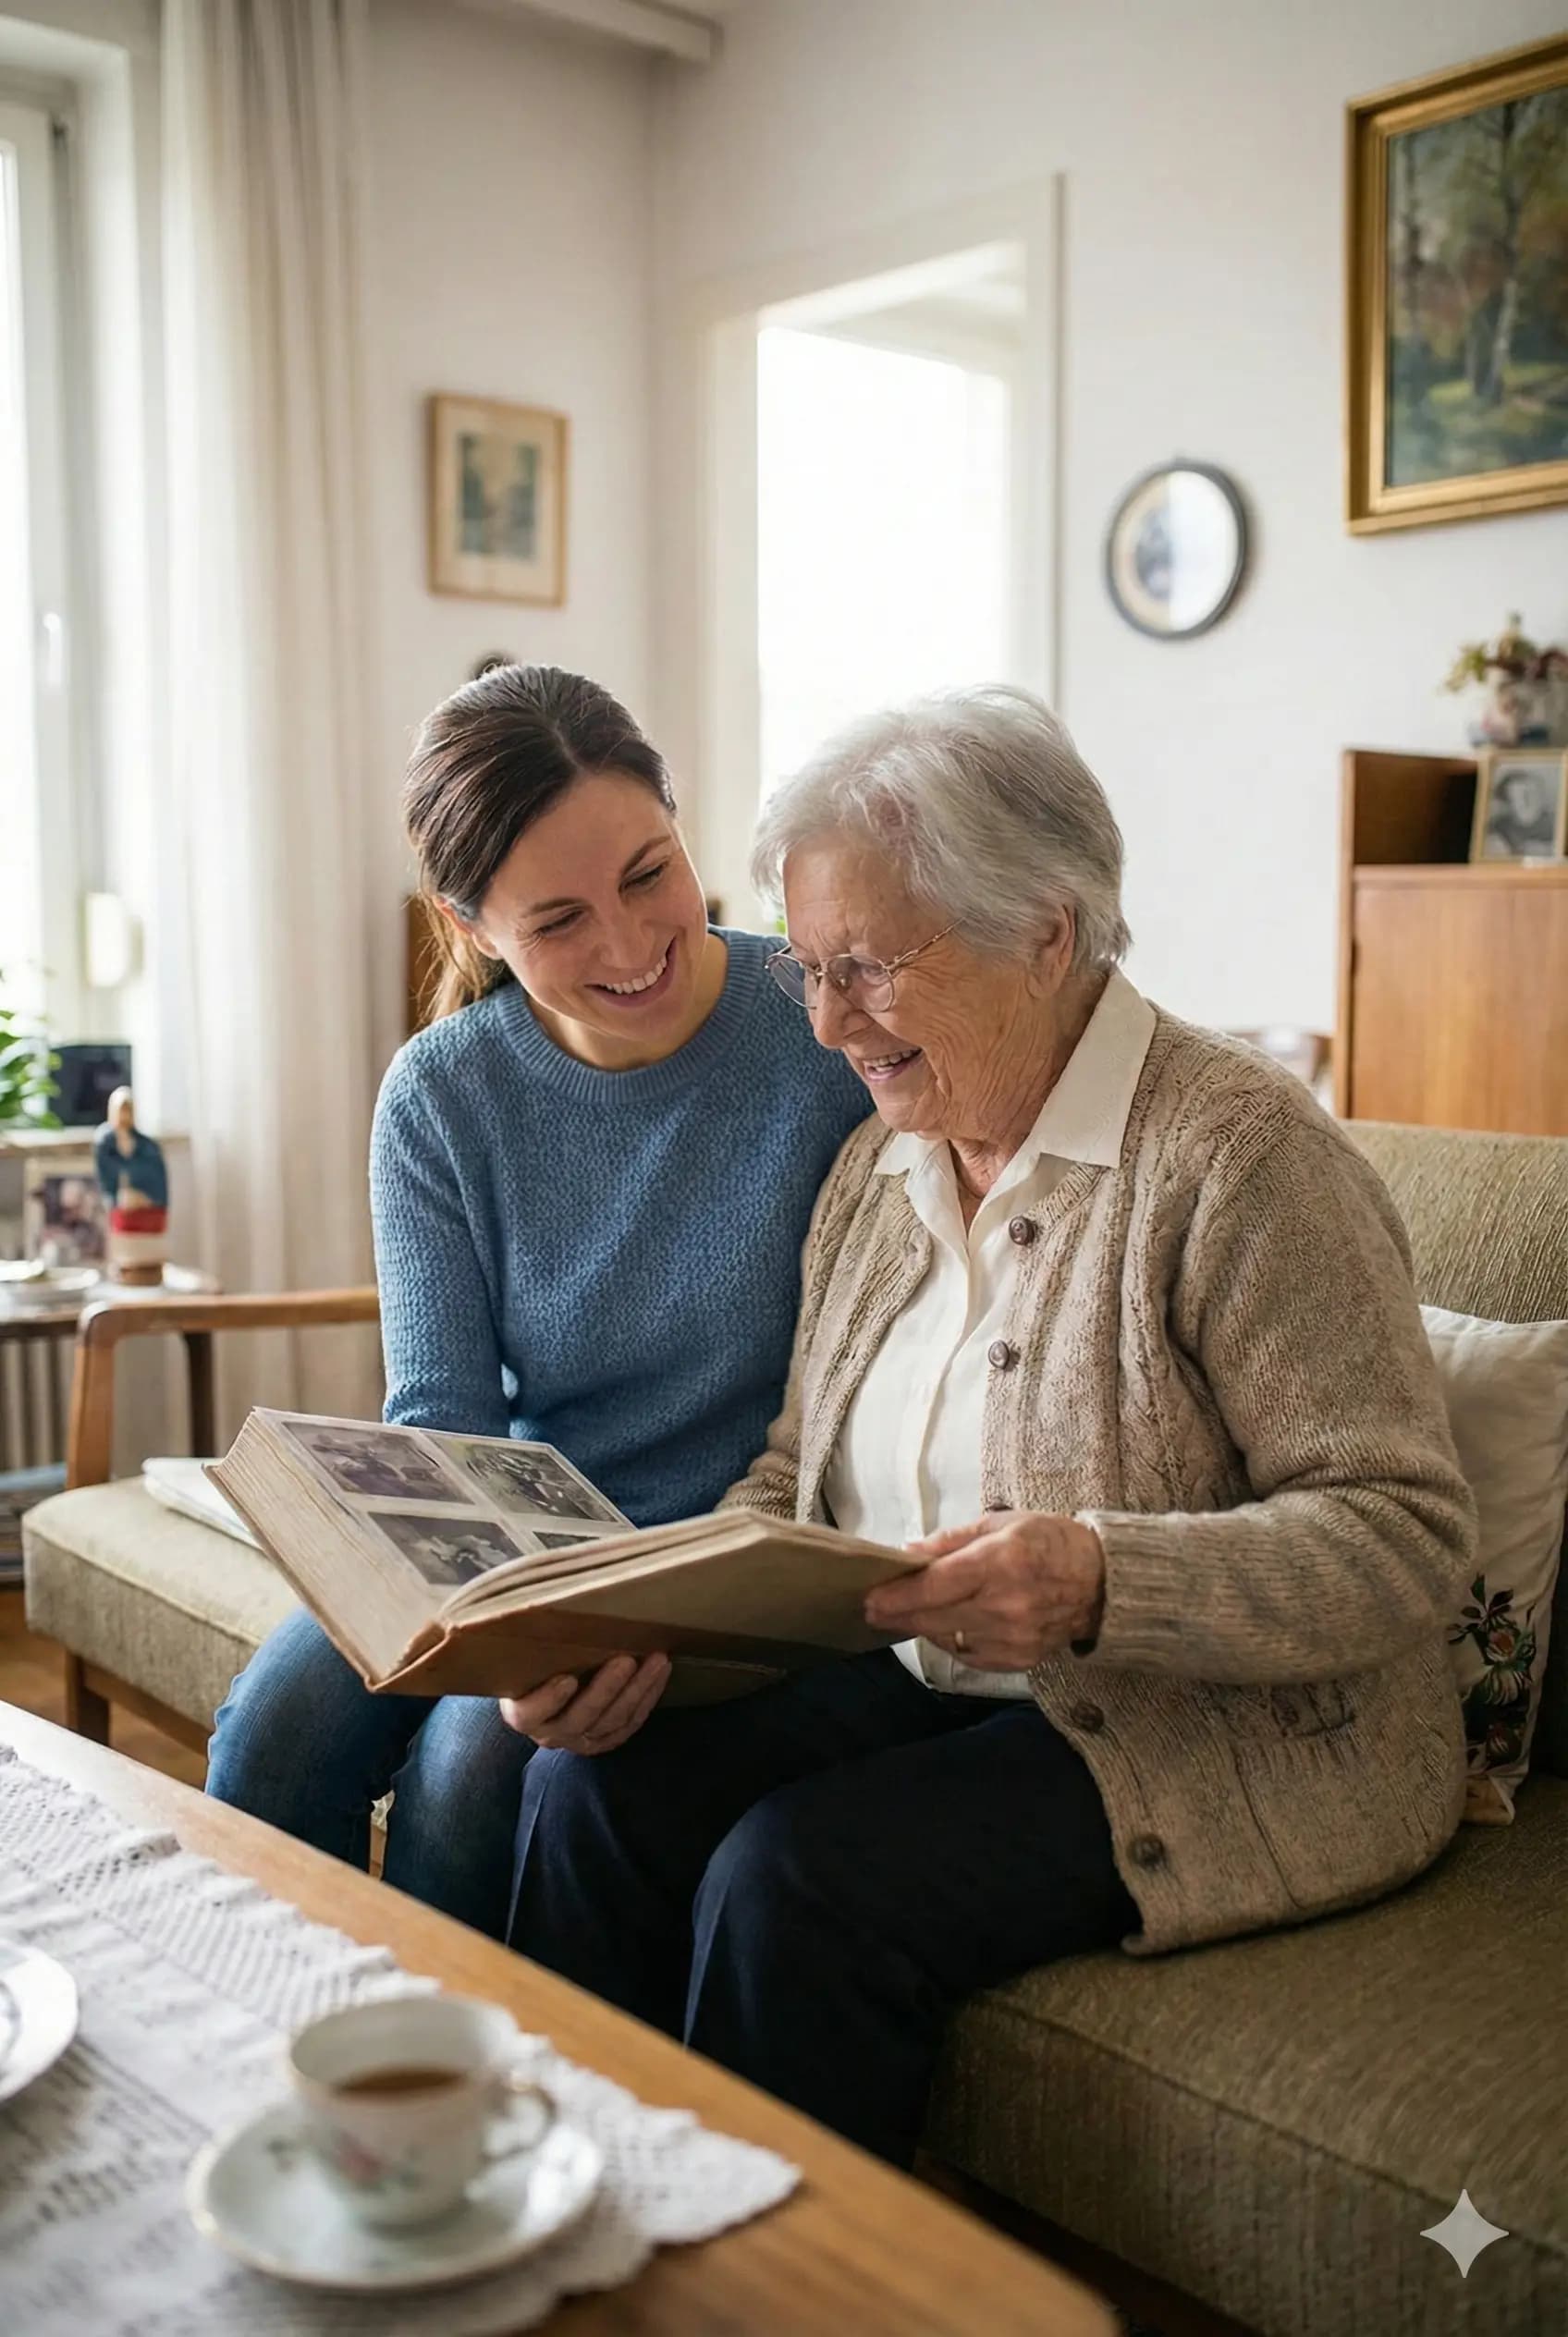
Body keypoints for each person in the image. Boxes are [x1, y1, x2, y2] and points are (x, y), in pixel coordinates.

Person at [505, 683, 1477, 2165]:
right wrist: (650, 1618)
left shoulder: (1241, 1160)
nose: (828, 1023)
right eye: (809, 973)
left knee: (796, 1882)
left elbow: (1404, 1540)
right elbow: (795, 1472)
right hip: (914, 1674)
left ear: (1045, 930)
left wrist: (1100, 1579)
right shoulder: (879, 1173)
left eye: (869, 969)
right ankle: (568, 2218)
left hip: (1199, 1730)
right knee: (595, 1788)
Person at [205, 667, 868, 1935]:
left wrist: (541, 1656)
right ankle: (289, 2046)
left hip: (715, 1543)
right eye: (558, 920)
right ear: (472, 927)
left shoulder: (822, 1027)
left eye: (647, 874)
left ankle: (466, 2101)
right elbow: (442, 1416)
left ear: (684, 829)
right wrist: (503, 1618)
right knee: (278, 1734)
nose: (628, 947)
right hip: (513, 1532)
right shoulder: (441, 1096)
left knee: (471, 1777)